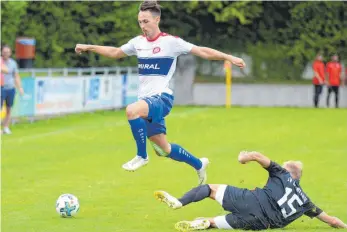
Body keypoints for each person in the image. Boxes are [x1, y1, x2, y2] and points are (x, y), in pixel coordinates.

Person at [75, 1, 246, 185]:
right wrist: (89, 47)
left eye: (146, 21)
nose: (143, 26)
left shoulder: (171, 42)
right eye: (140, 22)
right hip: (147, 102)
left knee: (131, 111)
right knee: (163, 149)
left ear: (157, 20)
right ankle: (198, 164)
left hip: (162, 98)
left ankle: (141, 156)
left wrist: (229, 57)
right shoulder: (138, 43)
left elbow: (202, 51)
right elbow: (115, 52)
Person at [154, 151, 347, 231]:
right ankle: (206, 222)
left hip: (252, 200)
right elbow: (331, 220)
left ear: (289, 172)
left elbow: (256, 155)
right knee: (214, 223)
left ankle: (179, 202)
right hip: (261, 224)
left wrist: (243, 158)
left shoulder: (282, 173)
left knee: (209, 189)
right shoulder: (306, 202)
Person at [1, 45, 24, 134]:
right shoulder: (0, 62)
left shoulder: (13, 63)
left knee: (9, 108)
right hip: (1, 87)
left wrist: (20, 87)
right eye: (4, 52)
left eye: (7, 52)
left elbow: (16, 76)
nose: (6, 54)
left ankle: (6, 127)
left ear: (10, 53)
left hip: (10, 88)